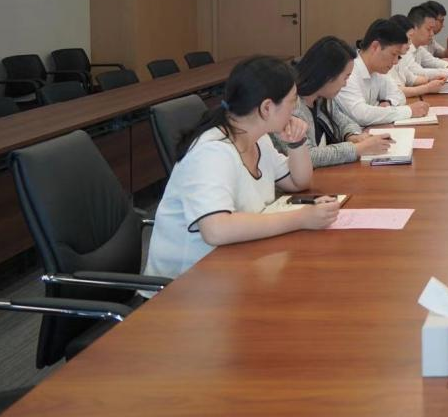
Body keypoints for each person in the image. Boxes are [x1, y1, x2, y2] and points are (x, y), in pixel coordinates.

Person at [144, 56, 338, 282]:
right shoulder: (212, 152)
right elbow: (216, 229)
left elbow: (298, 182)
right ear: (267, 108)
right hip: (186, 284)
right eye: (292, 101)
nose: (295, 109)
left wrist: (296, 142)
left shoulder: (258, 138)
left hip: (235, 264)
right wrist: (301, 218)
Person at [274, 36, 394, 166]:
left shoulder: (322, 98)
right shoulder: (291, 106)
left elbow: (344, 121)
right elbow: (307, 156)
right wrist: (358, 148)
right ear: (328, 75)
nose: (345, 84)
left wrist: (352, 136)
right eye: (345, 77)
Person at [338, 19, 430, 126]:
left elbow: (399, 95)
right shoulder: (348, 71)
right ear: (375, 47)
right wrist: (408, 111)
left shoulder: (378, 70)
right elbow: (361, 115)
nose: (395, 62)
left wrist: (388, 103)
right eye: (393, 54)